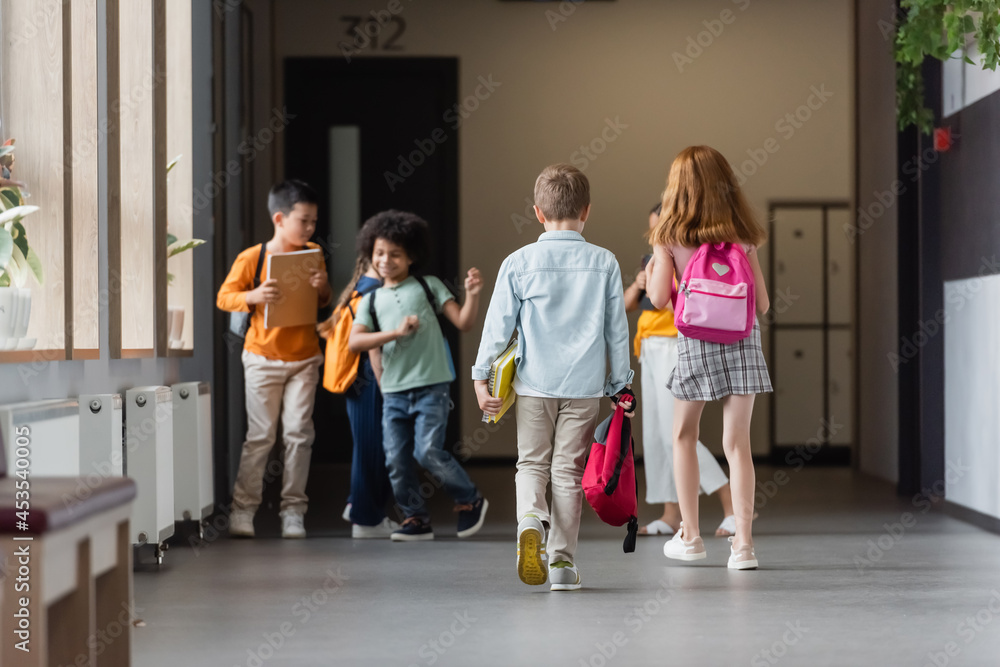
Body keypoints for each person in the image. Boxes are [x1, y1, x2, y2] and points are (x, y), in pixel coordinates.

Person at [474, 164, 634, 591]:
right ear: (586, 211)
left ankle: (531, 519)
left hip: (533, 385)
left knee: (531, 463)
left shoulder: (520, 261)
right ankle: (562, 565)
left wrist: (480, 377)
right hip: (582, 388)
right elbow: (617, 330)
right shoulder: (604, 262)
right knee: (567, 472)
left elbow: (497, 325)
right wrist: (621, 384)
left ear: (538, 213)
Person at [645, 146, 772, 570]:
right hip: (743, 341)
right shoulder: (743, 232)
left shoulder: (669, 235)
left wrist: (664, 263)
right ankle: (745, 547)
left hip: (696, 342)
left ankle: (692, 537)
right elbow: (764, 305)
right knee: (738, 444)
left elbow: (659, 297)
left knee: (683, 435)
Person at [347, 210, 488, 542]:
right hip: (393, 392)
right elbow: (357, 342)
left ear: (411, 256)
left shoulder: (429, 286)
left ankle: (470, 499)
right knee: (396, 458)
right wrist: (395, 333)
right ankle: (415, 518)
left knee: (427, 452)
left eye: (395, 254)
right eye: (380, 253)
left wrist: (474, 293)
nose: (386, 260)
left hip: (432, 386)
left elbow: (464, 323)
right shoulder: (370, 300)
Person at [217, 180, 332, 539]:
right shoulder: (253, 257)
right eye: (304, 220)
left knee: (299, 434)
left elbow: (325, 301)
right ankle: (243, 509)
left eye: (314, 221)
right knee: (261, 435)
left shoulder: (313, 253)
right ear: (280, 218)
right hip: (262, 357)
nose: (310, 228)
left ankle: (293, 511)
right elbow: (225, 297)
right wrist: (253, 295)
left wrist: (322, 285)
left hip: (305, 358)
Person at [625, 203, 738, 538]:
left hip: (676, 345)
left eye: (660, 226)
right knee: (657, 435)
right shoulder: (652, 261)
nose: (655, 234)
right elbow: (628, 304)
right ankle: (670, 513)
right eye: (652, 228)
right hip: (649, 348)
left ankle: (732, 505)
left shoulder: (691, 256)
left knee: (676, 433)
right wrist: (639, 282)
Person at [318, 229, 398, 539]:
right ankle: (366, 520)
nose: (391, 260)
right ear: (373, 257)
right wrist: (387, 388)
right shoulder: (373, 292)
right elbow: (372, 347)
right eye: (385, 254)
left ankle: (360, 507)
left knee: (369, 446)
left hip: (356, 382)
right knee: (373, 449)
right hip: (367, 382)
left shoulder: (361, 288)